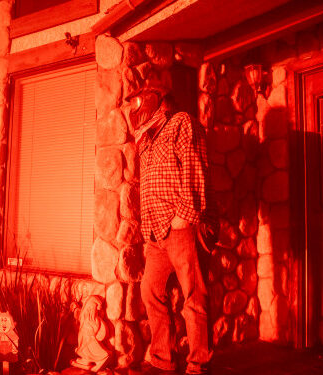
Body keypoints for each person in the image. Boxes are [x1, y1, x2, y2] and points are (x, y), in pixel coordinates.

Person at [124, 85, 213, 375]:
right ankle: (162, 359)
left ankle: (198, 364)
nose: (134, 108)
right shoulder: (146, 138)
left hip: (178, 227)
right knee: (150, 291)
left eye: (137, 101)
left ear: (152, 99)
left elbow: (195, 166)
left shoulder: (180, 123)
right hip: (155, 233)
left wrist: (185, 215)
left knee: (193, 297)